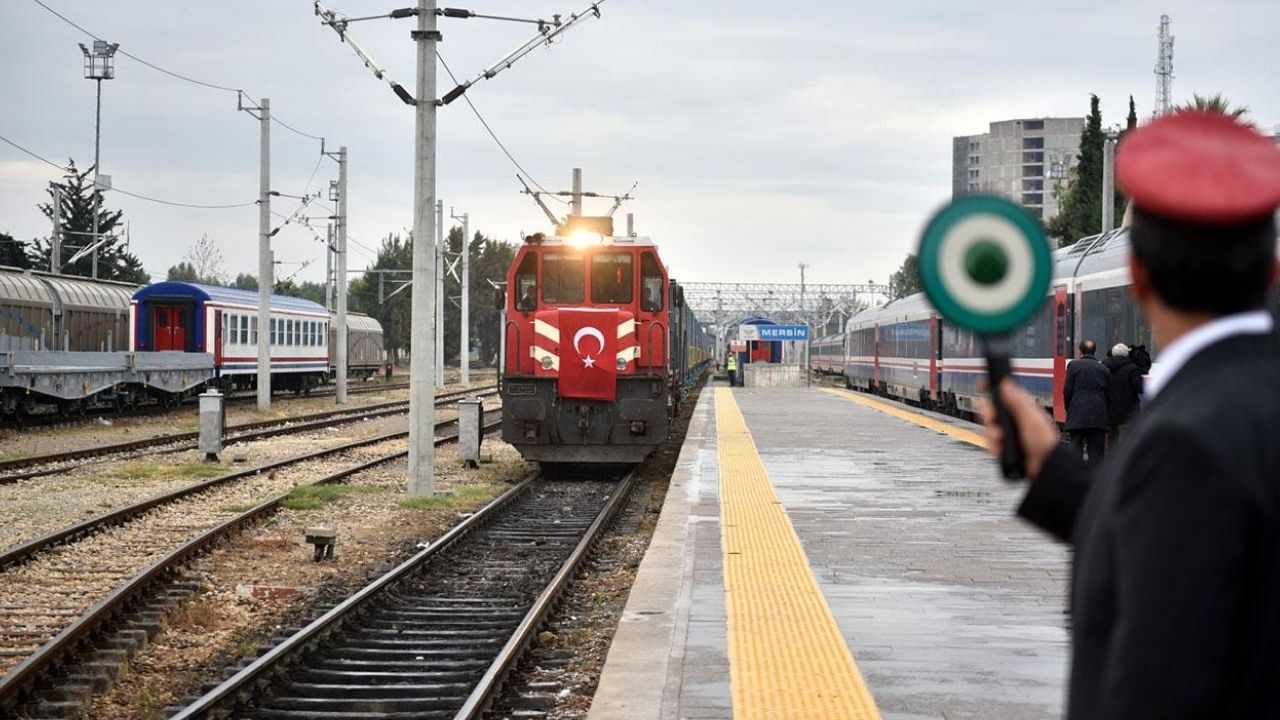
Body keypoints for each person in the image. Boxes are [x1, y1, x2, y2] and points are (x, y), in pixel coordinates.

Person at [981, 110, 1280, 719]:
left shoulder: (1189, 438)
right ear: (1270, 274)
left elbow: (1158, 685)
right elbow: (1218, 553)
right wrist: (1054, 475)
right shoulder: (1247, 401)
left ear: (1139, 277)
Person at [1063, 339, 1109, 465]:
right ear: (1095, 351)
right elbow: (1108, 395)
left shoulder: (1073, 366)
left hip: (1077, 414)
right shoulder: (1104, 369)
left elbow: (1067, 391)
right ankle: (1096, 481)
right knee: (1096, 454)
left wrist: (1069, 409)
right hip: (1098, 416)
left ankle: (1076, 480)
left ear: (1080, 351)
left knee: (1075, 452)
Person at [1102, 342, 1143, 444]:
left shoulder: (1104, 367)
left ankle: (1111, 459)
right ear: (1126, 355)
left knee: (1111, 437)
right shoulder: (1133, 368)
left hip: (1109, 409)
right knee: (1128, 439)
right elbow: (1140, 387)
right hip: (1129, 410)